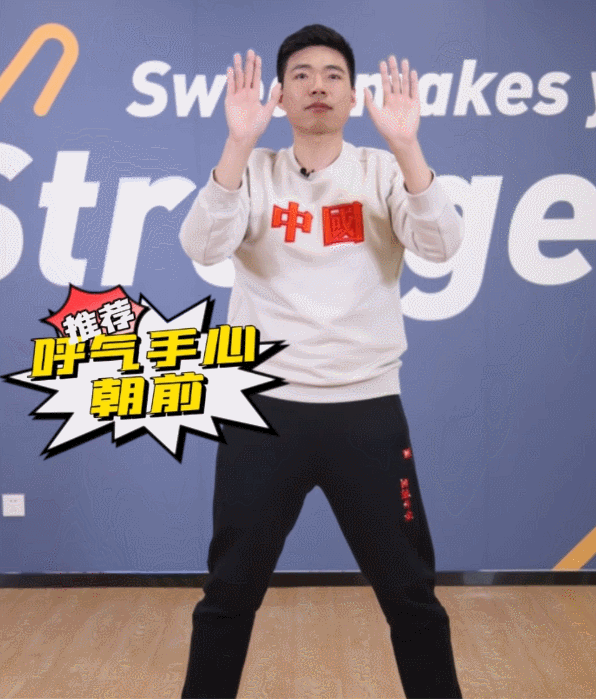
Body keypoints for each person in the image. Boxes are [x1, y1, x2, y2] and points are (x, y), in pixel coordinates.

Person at [179, 24, 464, 699]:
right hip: (262, 413)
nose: (318, 86)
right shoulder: (254, 170)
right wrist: (237, 143)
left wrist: (407, 144)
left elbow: (442, 244)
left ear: (353, 95)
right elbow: (202, 245)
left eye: (334, 75)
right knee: (228, 593)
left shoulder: (382, 171)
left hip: (366, 412)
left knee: (411, 594)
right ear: (279, 95)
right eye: (301, 75)